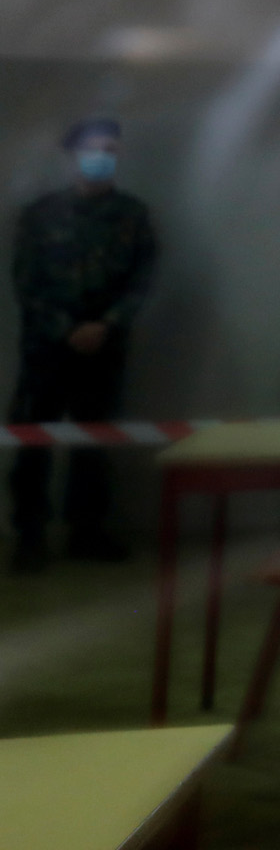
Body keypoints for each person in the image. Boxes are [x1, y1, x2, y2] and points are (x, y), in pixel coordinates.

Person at [8, 118, 156, 572]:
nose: (102, 157)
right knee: (34, 442)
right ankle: (29, 537)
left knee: (94, 443)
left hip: (104, 349)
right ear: (72, 156)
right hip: (46, 350)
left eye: (110, 148)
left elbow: (141, 280)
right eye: (93, 149)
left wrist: (105, 325)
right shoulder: (40, 215)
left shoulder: (132, 216)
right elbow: (25, 284)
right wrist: (66, 329)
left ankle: (86, 531)